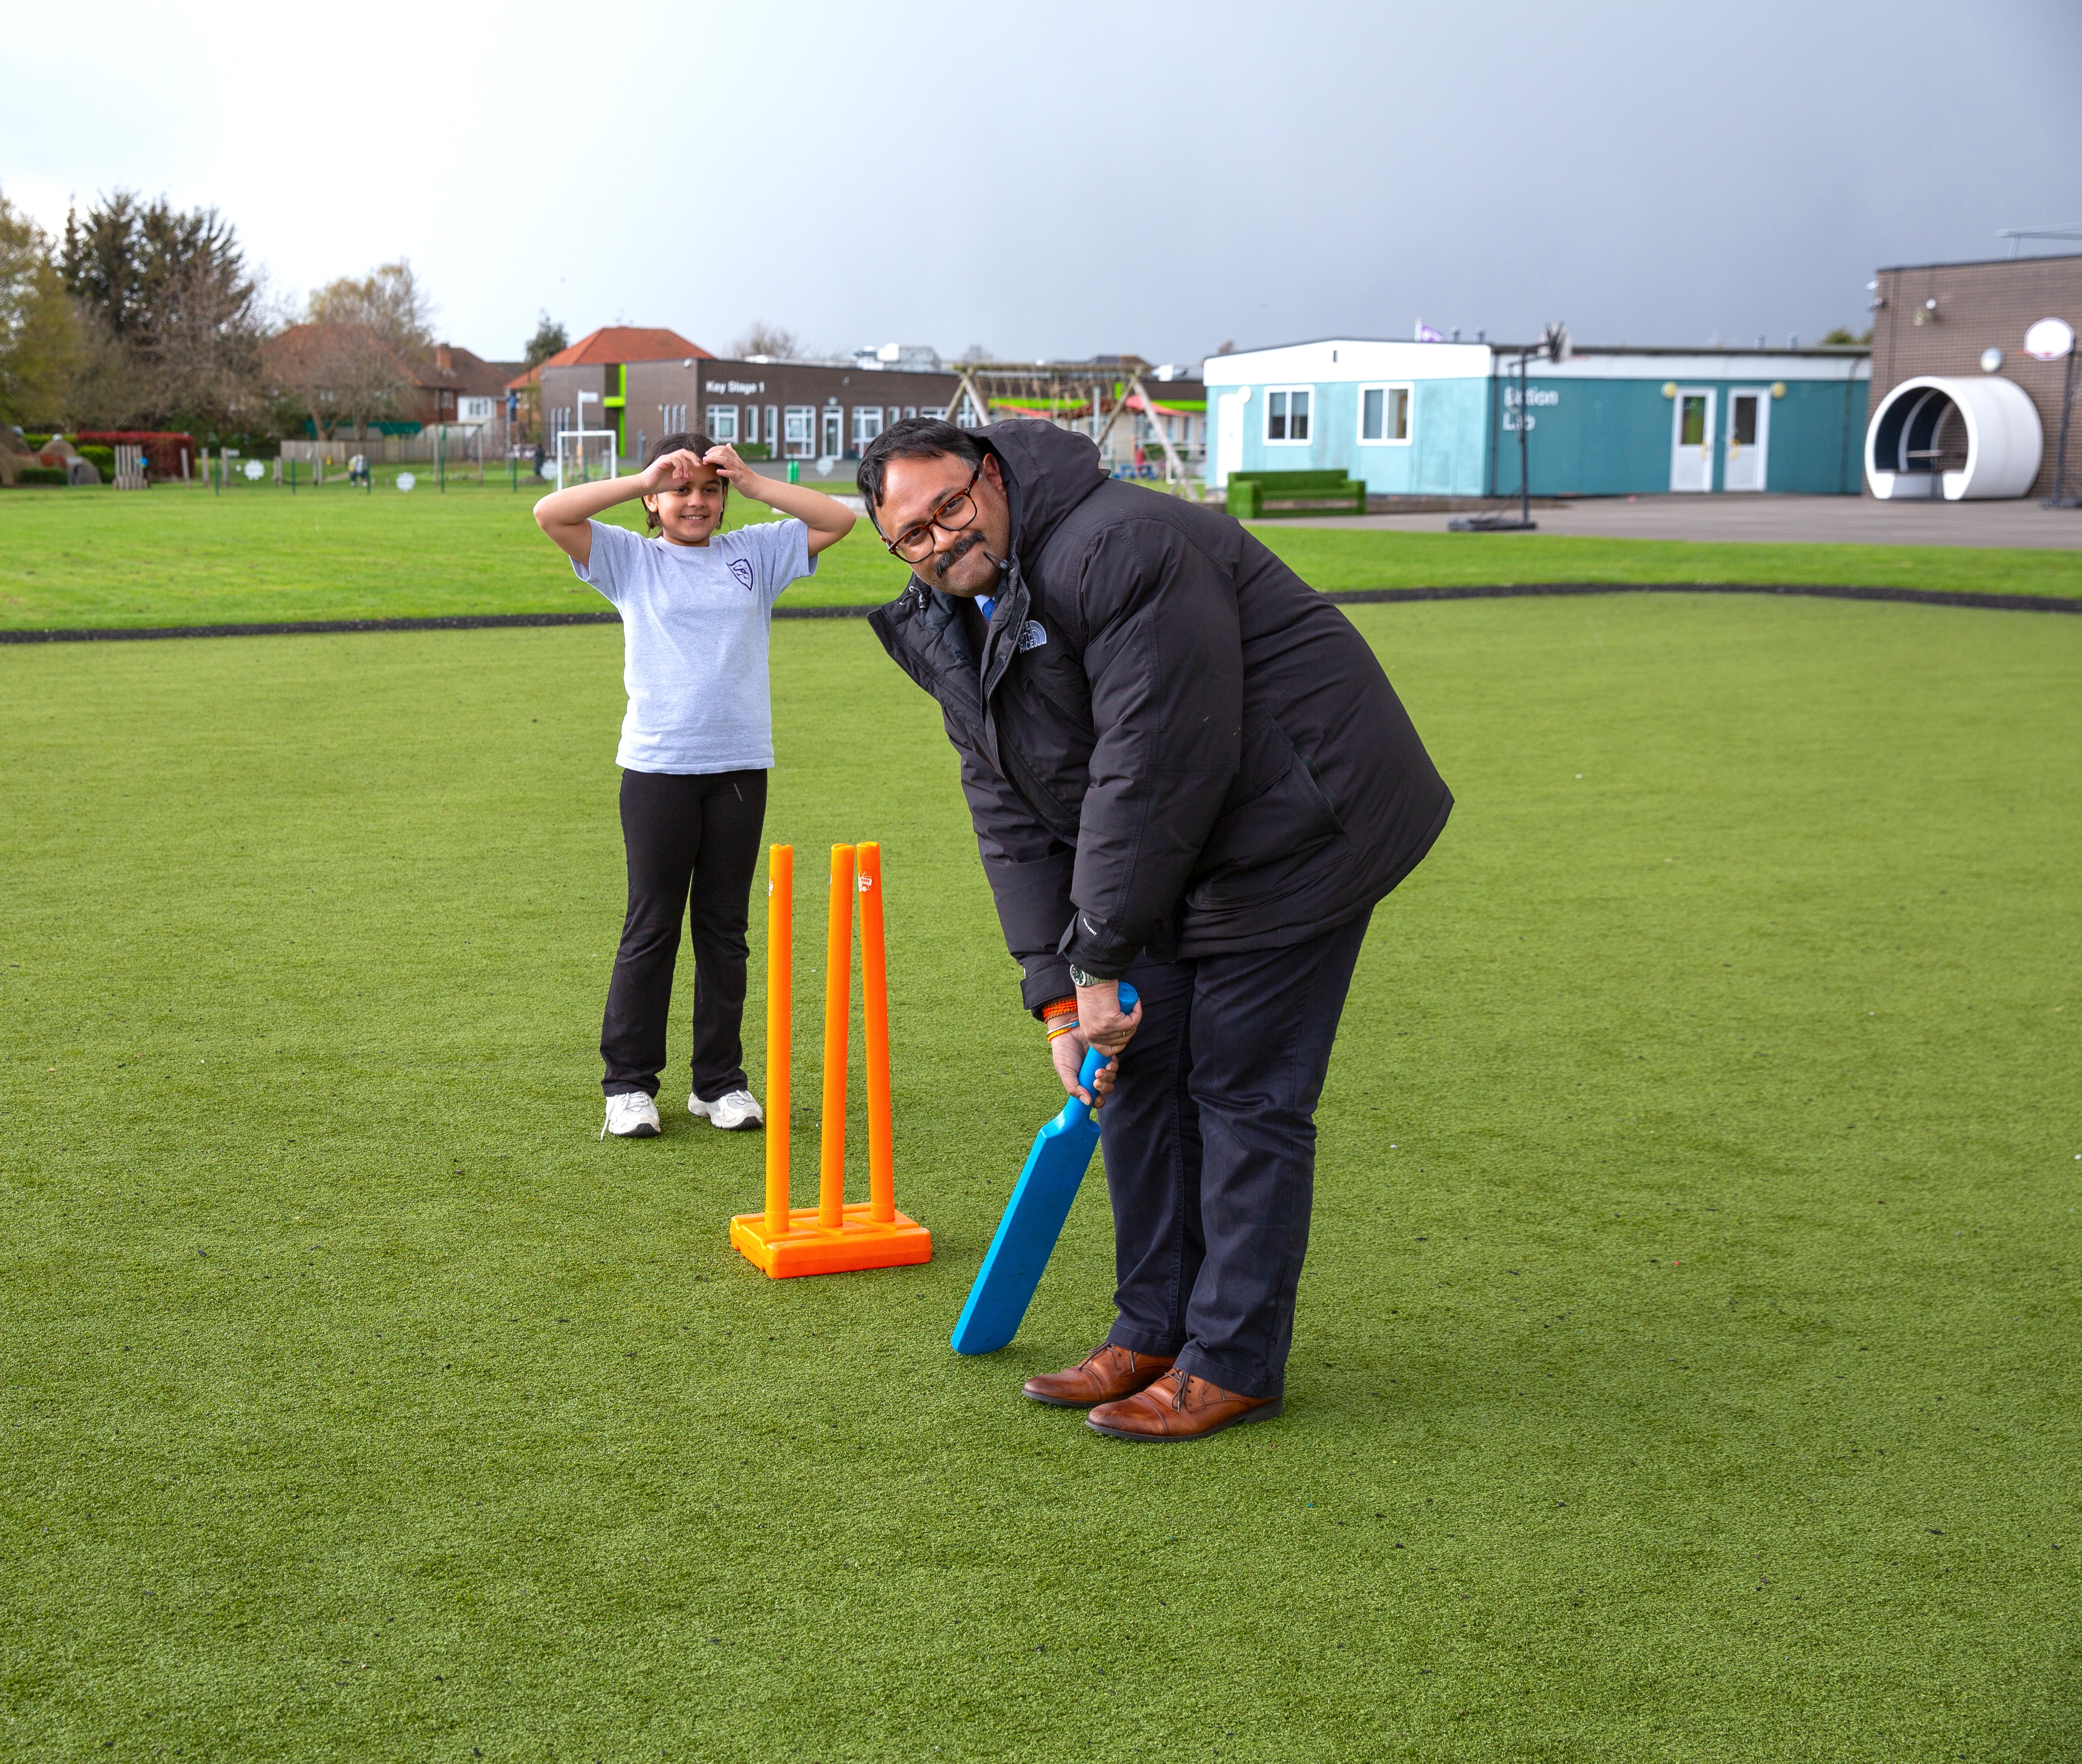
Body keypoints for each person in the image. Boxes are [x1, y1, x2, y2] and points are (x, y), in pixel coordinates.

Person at [860, 418, 1451, 1443]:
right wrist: (1058, 992)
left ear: (990, 477)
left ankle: (1232, 1360)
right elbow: (1011, 804)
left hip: (1303, 817)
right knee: (1135, 1072)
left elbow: (1155, 766)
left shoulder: (1121, 544)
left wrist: (1101, 957)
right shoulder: (946, 618)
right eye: (910, 535)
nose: (940, 540)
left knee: (1240, 1086)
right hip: (1187, 838)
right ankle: (1153, 1327)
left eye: (949, 507)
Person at [533, 433, 854, 1139]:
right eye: (681, 490)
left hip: (739, 767)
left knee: (724, 930)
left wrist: (754, 480)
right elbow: (551, 513)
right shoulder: (628, 558)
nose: (697, 502)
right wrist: (640, 477)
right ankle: (629, 1087)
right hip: (657, 768)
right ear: (654, 500)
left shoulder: (755, 555)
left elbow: (839, 520)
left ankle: (719, 1084)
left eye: (711, 490)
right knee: (652, 927)